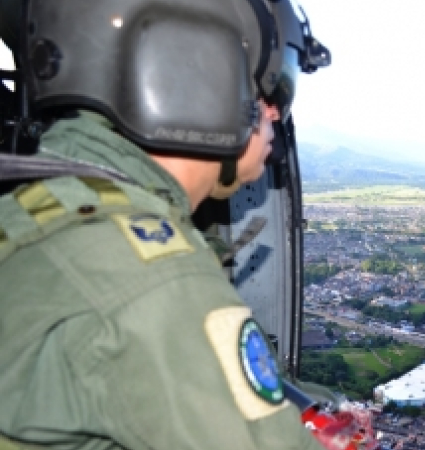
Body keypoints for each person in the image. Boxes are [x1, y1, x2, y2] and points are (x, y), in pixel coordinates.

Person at [0, 0, 334, 449]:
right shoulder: (153, 276)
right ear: (189, 72)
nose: (276, 113)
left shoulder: (44, 205)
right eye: (269, 90)